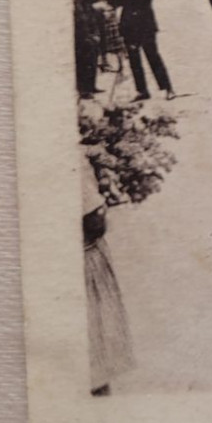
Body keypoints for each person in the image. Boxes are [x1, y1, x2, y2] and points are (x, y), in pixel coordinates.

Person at [83, 165, 134, 395]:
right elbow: (94, 224)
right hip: (83, 262)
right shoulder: (70, 159)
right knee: (94, 351)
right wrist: (102, 208)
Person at [115, 0, 174, 101]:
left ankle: (168, 88)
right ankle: (142, 91)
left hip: (145, 28)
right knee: (135, 61)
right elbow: (117, 1)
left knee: (153, 57)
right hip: (129, 28)